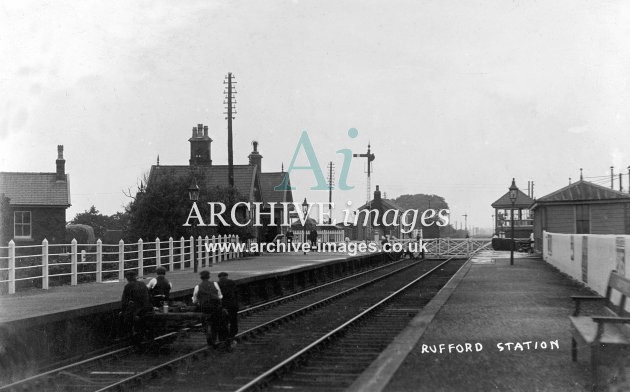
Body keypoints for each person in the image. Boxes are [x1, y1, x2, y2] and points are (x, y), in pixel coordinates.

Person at [120, 270, 153, 346]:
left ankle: (129, 335)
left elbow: (125, 301)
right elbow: (149, 296)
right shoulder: (142, 283)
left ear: (127, 278)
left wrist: (123, 310)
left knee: (124, 318)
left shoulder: (128, 286)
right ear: (135, 277)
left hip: (137, 309)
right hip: (147, 308)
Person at [192, 270, 223, 347]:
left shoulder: (197, 287)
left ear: (201, 278)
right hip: (215, 307)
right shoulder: (215, 284)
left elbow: (195, 300)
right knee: (215, 324)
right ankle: (214, 339)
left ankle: (208, 335)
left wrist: (197, 302)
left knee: (205, 322)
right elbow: (220, 296)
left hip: (204, 308)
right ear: (209, 277)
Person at [218, 272, 239, 351]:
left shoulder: (217, 284)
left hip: (223, 307)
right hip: (232, 306)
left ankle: (224, 340)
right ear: (227, 276)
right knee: (233, 322)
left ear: (219, 277)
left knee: (223, 323)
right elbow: (236, 294)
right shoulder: (232, 282)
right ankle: (232, 337)